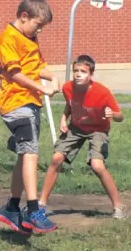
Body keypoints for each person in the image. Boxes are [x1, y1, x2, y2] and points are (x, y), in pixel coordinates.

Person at [0, 0, 59, 234]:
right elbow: (14, 74)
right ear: (24, 16)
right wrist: (41, 87)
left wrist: (52, 77)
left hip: (30, 103)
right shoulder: (7, 38)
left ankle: (11, 207)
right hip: (17, 103)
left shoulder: (30, 38)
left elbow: (36, 66)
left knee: (24, 156)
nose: (39, 29)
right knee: (31, 154)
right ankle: (32, 210)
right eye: (37, 24)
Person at [39, 54, 127, 219]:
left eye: (83, 71)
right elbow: (70, 105)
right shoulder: (67, 88)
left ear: (91, 75)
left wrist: (113, 114)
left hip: (98, 130)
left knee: (97, 166)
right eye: (76, 71)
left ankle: (118, 206)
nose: (78, 74)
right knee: (56, 158)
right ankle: (41, 204)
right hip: (76, 127)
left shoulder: (103, 92)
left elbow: (120, 116)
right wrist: (64, 118)